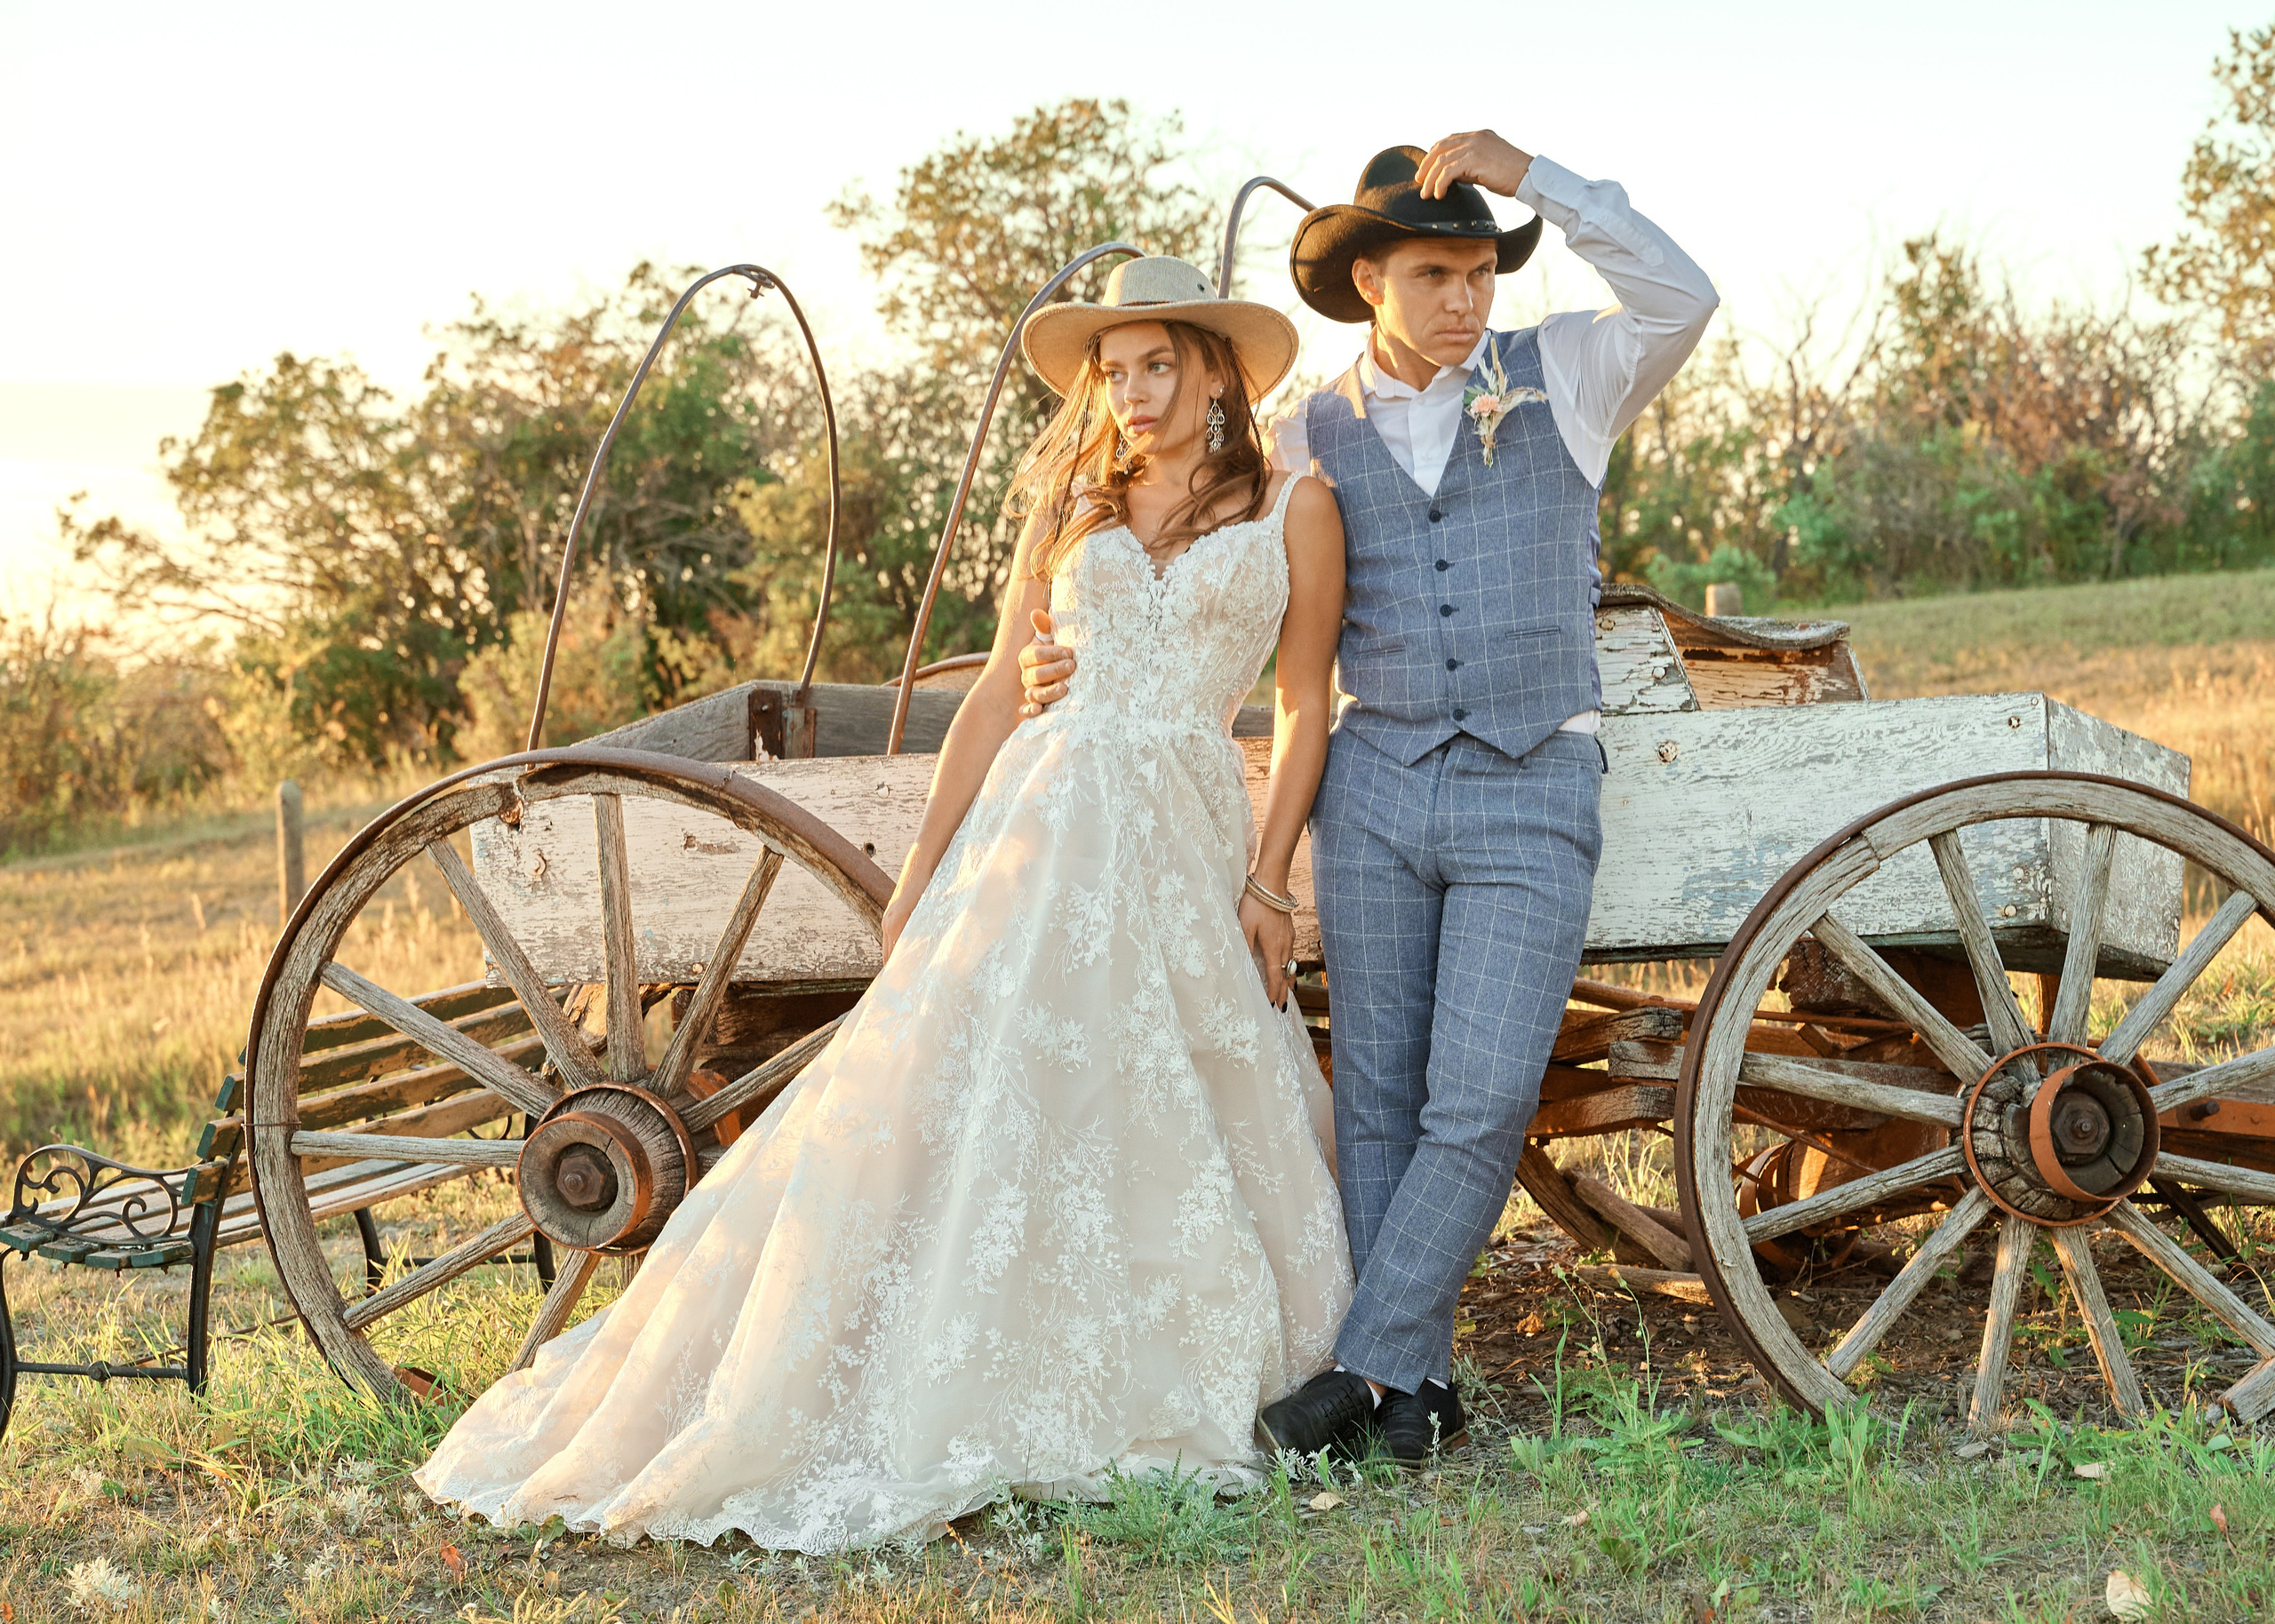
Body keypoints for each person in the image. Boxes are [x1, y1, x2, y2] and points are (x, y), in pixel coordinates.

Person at [413, 255, 1354, 1553]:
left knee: (1155, 1094)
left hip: (1185, 829)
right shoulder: (1076, 506)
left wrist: (1269, 880)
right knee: (976, 1094)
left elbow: (1306, 705)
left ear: (1213, 370)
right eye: (1114, 371)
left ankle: (1144, 1362)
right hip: (1042, 820)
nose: (1134, 395)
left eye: (1158, 366)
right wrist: (917, 876)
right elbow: (987, 702)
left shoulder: (1295, 505)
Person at [1022, 133, 1717, 1467]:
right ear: (1370, 283)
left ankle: (1360, 1365)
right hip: (1379, 782)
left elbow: (1683, 296)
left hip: (1531, 782)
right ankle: (1422, 1400)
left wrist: (1542, 185)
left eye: (1480, 273)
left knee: (1482, 1098)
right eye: (1437, 274)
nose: (1467, 299)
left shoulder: (1563, 377)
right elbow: (1179, 573)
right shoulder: (1302, 435)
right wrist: (1066, 652)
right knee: (1380, 1099)